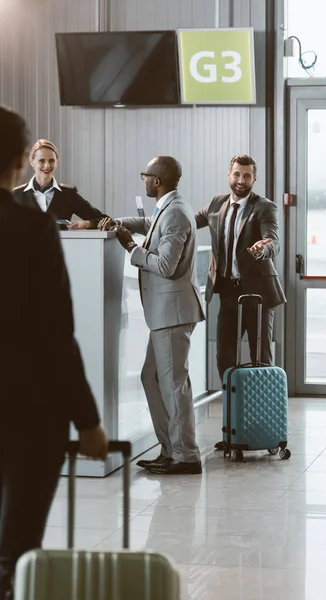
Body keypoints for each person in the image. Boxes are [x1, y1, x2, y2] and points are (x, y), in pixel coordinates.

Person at [0, 106, 108, 600]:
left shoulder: (52, 205)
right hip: (26, 408)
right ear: (21, 162)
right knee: (17, 547)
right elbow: (55, 332)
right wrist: (86, 419)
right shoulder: (27, 226)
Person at [99, 156, 204, 475]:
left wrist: (129, 246)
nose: (143, 179)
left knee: (174, 385)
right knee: (152, 377)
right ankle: (171, 448)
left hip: (172, 314)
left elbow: (165, 266)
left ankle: (186, 455)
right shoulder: (170, 207)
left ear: (157, 181)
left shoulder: (175, 213)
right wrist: (116, 222)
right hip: (166, 314)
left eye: (146, 175)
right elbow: (150, 226)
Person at [195, 154, 286, 448]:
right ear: (229, 174)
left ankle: (267, 431)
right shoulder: (216, 204)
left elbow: (273, 239)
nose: (241, 181)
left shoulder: (264, 207)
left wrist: (263, 248)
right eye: (237, 175)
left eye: (247, 176)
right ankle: (235, 428)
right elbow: (182, 220)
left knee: (260, 360)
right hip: (228, 294)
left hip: (257, 295)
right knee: (225, 361)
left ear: (254, 179)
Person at [12, 138, 108, 229]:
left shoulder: (69, 194)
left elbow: (104, 220)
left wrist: (86, 224)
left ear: (56, 162)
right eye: (42, 161)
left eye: (51, 161)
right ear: (32, 161)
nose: (47, 166)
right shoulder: (17, 195)